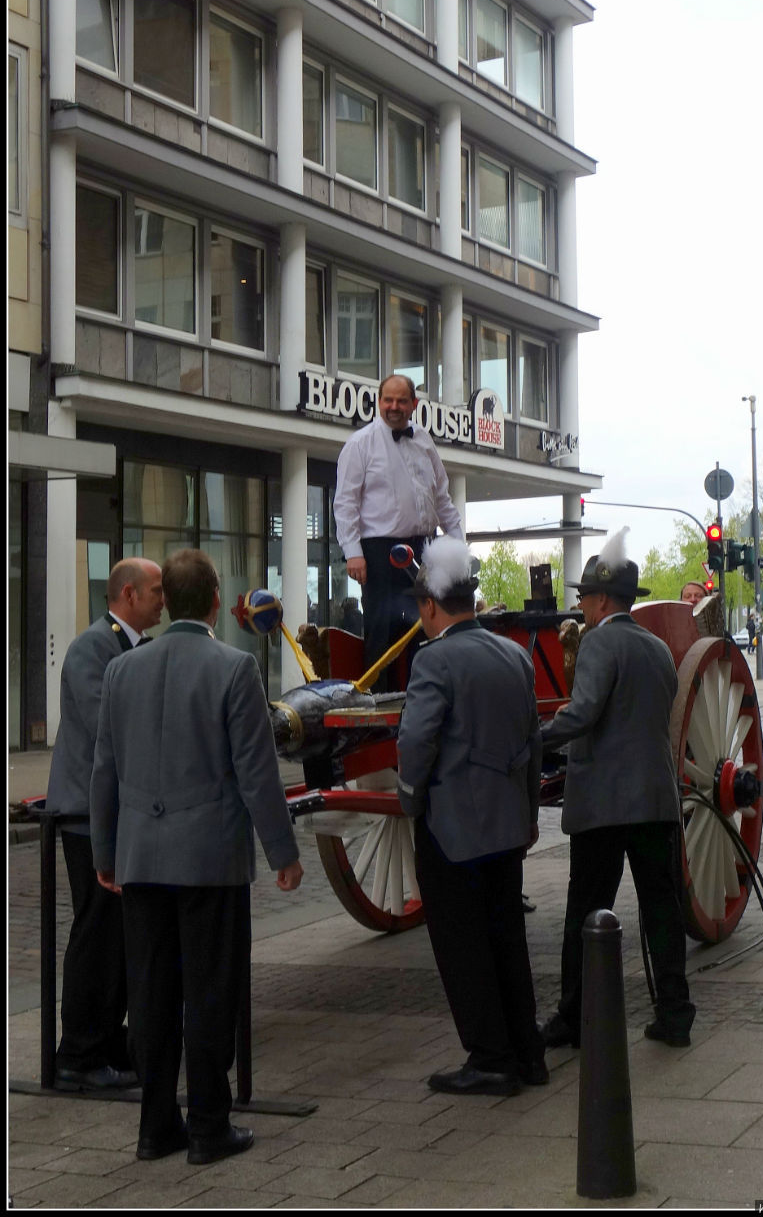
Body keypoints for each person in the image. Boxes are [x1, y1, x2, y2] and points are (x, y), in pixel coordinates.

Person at [90, 549, 303, 1165]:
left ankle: (155, 1127)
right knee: (212, 992)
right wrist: (282, 852)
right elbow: (256, 775)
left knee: (150, 996)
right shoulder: (234, 669)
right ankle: (210, 1125)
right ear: (215, 600)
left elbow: (104, 771)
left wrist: (107, 852)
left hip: (141, 861)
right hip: (210, 862)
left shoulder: (121, 672)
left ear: (167, 603)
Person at [396, 536, 545, 1096]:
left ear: (430, 606)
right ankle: (527, 1052)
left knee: (462, 945)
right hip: (508, 824)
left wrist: (410, 799)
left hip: (451, 827)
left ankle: (490, 1057)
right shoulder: (515, 655)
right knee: (507, 938)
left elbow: (416, 742)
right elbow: (532, 742)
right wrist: (528, 813)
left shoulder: (434, 659)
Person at [539, 528, 696, 1049]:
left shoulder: (598, 642)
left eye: (584, 597)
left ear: (602, 600)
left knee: (584, 911)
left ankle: (575, 1016)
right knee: (662, 910)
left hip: (603, 803)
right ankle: (674, 1013)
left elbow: (582, 715)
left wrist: (535, 737)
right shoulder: (656, 648)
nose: (582, 605)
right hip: (655, 799)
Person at [45, 556, 164, 1090]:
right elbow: (106, 729)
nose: (163, 599)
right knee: (96, 933)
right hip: (85, 816)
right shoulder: (95, 647)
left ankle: (107, 1039)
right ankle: (79, 1055)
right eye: (157, 590)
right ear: (129, 595)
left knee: (116, 935)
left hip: (118, 814)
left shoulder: (136, 646)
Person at [334, 373, 463, 685]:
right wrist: (354, 553)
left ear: (413, 404)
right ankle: (381, 707)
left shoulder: (424, 441)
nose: (394, 406)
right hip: (379, 551)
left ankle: (423, 700)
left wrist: (459, 547)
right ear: (379, 402)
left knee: (426, 628)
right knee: (382, 631)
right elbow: (345, 503)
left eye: (401, 400)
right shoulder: (359, 444)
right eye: (388, 400)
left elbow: (441, 497)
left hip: (425, 548)